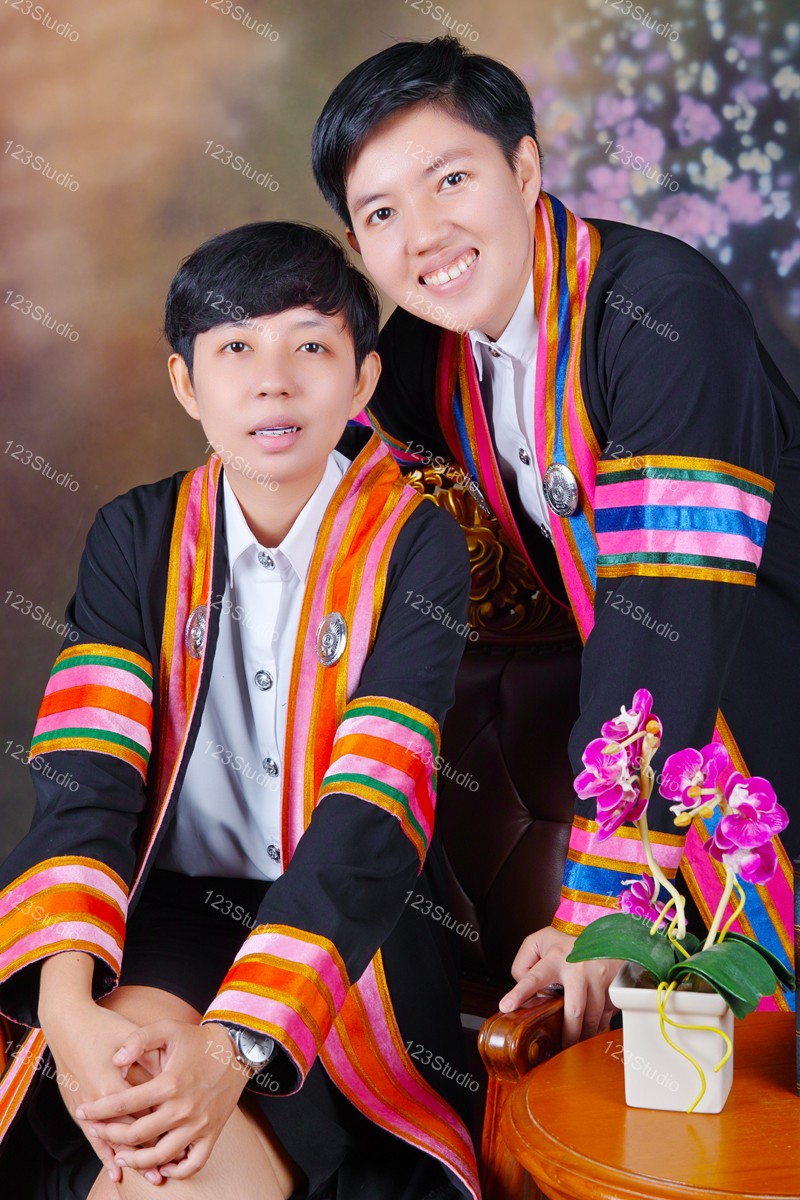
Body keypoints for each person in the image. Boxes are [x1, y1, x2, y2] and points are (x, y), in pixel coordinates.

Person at [311, 35, 799, 1043]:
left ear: (525, 167)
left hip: (763, 692)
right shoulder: (422, 356)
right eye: (382, 213)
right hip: (668, 760)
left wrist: (602, 899)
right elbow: (321, 475)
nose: (426, 234)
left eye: (452, 179)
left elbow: (663, 605)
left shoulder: (660, 310)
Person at [0, 221, 480, 1200]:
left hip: (353, 933)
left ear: (361, 379)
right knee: (133, 1108)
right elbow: (85, 777)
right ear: (186, 384)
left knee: (166, 1167)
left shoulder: (413, 544)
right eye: (235, 349)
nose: (273, 383)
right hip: (169, 913)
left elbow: (372, 809)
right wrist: (66, 1007)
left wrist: (233, 1046)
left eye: (310, 346)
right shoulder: (137, 535)